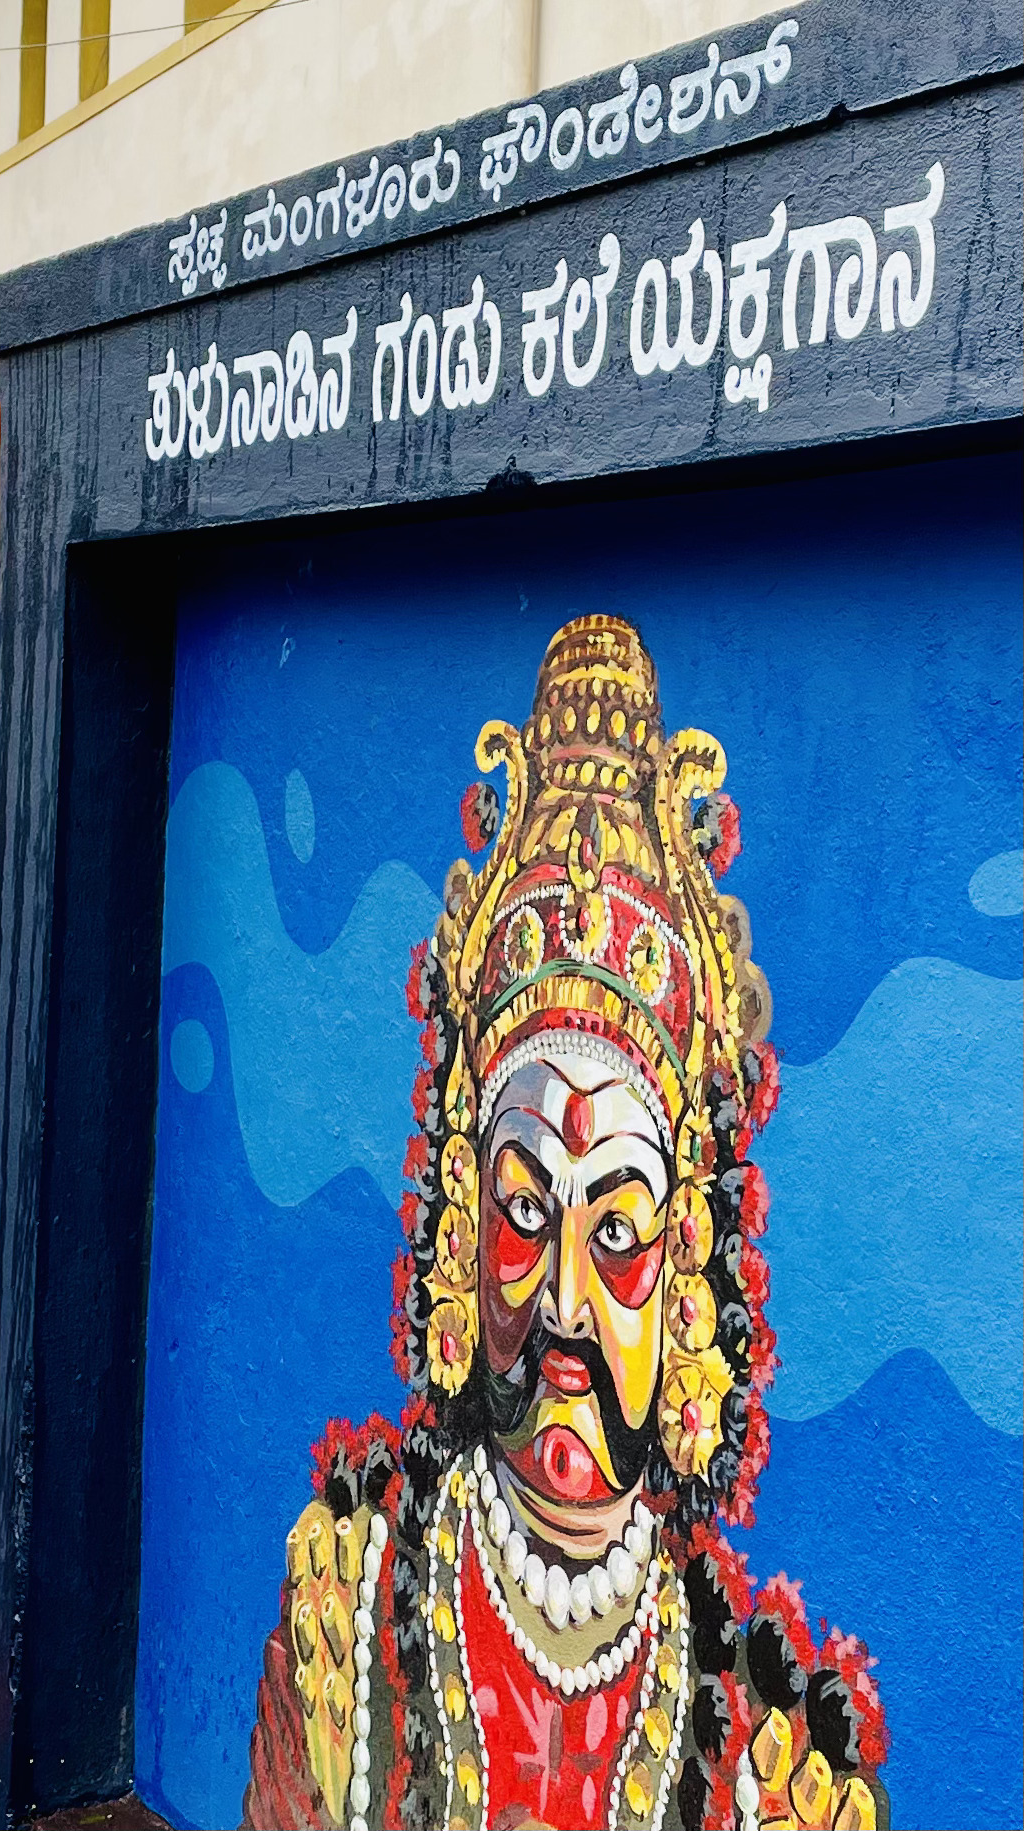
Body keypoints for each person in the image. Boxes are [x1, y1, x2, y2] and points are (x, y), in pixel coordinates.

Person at [241, 619, 885, 1831]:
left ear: (688, 1270)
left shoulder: (771, 1764)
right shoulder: (350, 1610)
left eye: (621, 1232)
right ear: (456, 1238)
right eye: (525, 1214)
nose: (564, 1306)